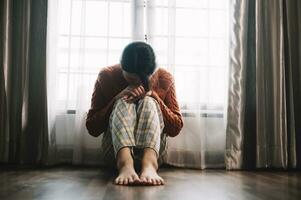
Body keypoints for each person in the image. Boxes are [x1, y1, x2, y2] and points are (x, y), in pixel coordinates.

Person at [86, 41, 184, 186]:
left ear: (153, 71)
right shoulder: (107, 76)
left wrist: (153, 96)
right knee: (122, 102)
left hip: (155, 153)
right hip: (115, 153)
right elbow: (92, 128)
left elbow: (175, 128)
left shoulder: (164, 78)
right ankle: (125, 164)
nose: (137, 83)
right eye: (131, 79)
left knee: (148, 101)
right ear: (121, 66)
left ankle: (149, 165)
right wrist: (116, 99)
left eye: (143, 79)